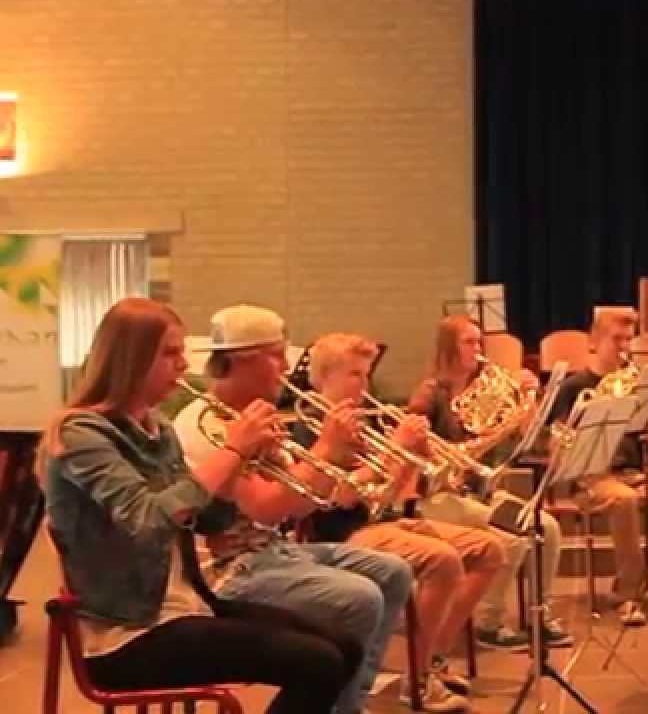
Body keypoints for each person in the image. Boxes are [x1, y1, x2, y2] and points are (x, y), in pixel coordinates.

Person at [39, 298, 362, 713]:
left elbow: (210, 520)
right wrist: (231, 449)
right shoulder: (81, 433)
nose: (183, 363)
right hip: (125, 632)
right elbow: (148, 520)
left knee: (344, 647)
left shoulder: (159, 429)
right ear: (132, 360)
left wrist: (241, 462)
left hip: (185, 604)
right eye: (169, 353)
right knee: (317, 663)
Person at [172, 305, 414, 714]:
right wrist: (327, 448)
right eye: (275, 355)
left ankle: (346, 705)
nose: (286, 367)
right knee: (361, 597)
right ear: (242, 360)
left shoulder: (258, 416)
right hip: (228, 569)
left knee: (393, 573)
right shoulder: (206, 422)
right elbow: (266, 509)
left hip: (273, 553)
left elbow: (298, 507)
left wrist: (333, 457)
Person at [298, 331, 507, 712]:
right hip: (341, 533)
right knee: (442, 560)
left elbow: (388, 493)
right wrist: (398, 447)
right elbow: (339, 497)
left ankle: (430, 661)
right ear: (324, 376)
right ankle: (417, 679)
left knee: (488, 548)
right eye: (354, 375)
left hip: (382, 521)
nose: (365, 384)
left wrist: (413, 457)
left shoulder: (364, 420)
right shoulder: (311, 424)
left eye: (366, 375)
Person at [406, 314, 574, 650]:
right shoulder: (430, 393)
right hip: (436, 496)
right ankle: (489, 621)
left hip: (480, 492)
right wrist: (457, 455)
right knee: (509, 540)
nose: (478, 349)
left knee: (547, 526)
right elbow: (411, 447)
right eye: (469, 342)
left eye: (479, 341)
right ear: (449, 347)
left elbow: (530, 437)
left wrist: (530, 399)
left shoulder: (490, 387)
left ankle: (539, 614)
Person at [548, 309, 648, 626]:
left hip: (634, 473)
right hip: (591, 477)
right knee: (624, 501)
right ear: (594, 341)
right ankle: (628, 596)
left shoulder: (637, 384)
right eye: (615, 339)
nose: (623, 346)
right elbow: (552, 443)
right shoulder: (573, 386)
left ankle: (634, 574)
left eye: (627, 339)